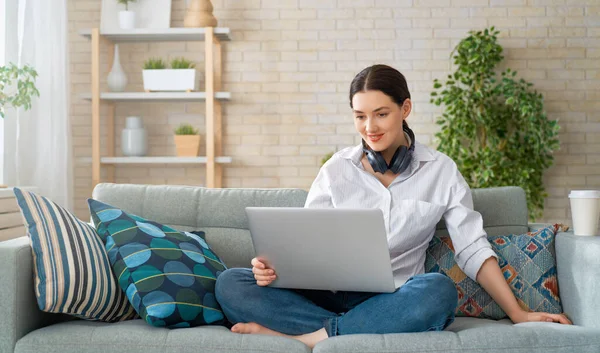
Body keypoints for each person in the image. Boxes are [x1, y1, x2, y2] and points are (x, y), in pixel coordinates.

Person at [214, 64, 572, 348]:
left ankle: (307, 340)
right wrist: (272, 268)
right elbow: (304, 244)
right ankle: (340, 333)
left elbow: (473, 249)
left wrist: (518, 313)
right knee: (231, 283)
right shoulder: (336, 169)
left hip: (394, 299)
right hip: (322, 296)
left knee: (438, 292)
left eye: (381, 114)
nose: (369, 127)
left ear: (405, 109)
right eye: (359, 116)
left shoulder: (442, 171)